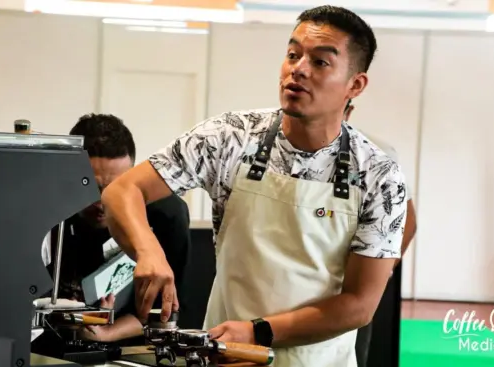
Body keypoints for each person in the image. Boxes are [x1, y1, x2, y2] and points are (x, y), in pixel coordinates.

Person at [101, 5, 408, 366]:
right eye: (293, 54)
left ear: (355, 85)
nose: (299, 69)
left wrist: (258, 331)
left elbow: (359, 304)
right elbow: (122, 191)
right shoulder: (230, 137)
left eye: (321, 62)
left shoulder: (379, 175)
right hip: (225, 356)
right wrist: (148, 250)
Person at [42, 113, 192, 342]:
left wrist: (107, 333)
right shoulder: (44, 211)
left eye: (116, 190)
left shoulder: (166, 214)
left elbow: (164, 314)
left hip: (132, 345)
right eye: (91, 187)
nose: (102, 202)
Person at [344, 100, 418, 367]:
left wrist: (380, 270)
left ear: (348, 109)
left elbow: (407, 220)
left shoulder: (377, 153)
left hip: (348, 291)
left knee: (352, 354)